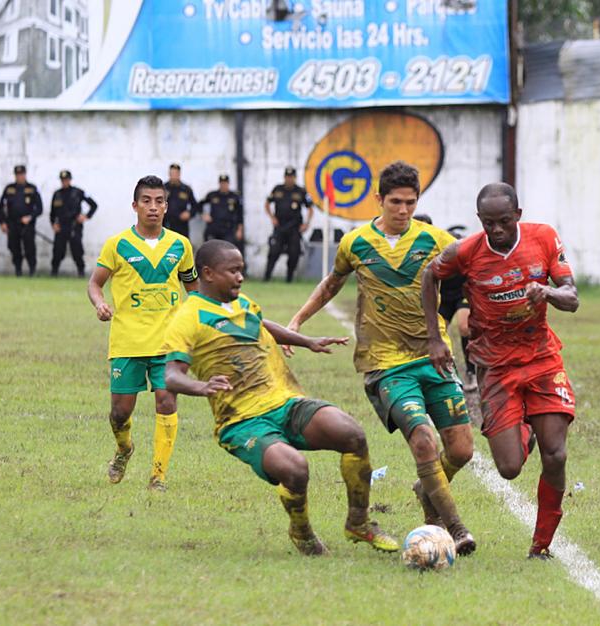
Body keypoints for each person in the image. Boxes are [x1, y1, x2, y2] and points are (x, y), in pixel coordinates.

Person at [286, 161, 476, 555]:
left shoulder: (437, 240)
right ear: (379, 200)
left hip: (433, 357)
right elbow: (331, 284)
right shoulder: (355, 243)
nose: (403, 210)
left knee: (461, 451)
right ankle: (455, 529)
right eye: (395, 202)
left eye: (410, 202)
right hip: (385, 363)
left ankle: (428, 489)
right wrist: (299, 319)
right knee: (422, 440)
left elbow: (476, 270)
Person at [162, 239, 398, 556]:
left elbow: (261, 324)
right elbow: (170, 374)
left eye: (241, 270)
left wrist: (306, 341)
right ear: (207, 274)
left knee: (352, 434)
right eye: (233, 271)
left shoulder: (241, 302)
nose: (240, 277)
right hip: (242, 423)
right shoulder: (188, 317)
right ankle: (301, 532)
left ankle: (359, 523)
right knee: (295, 470)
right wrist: (201, 387)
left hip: (285, 402)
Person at [423, 182, 579, 560]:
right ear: (480, 220)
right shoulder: (466, 251)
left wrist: (547, 292)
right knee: (509, 468)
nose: (496, 230)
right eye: (489, 223)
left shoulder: (542, 238)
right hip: (494, 364)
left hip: (542, 358)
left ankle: (541, 545)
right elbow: (431, 276)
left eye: (504, 222)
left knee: (555, 455)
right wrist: (434, 336)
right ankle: (527, 428)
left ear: (518, 216)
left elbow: (571, 297)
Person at [87, 175, 198, 492]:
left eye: (159, 201)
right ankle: (124, 449)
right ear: (135, 206)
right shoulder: (117, 244)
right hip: (127, 341)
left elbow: (195, 291)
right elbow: (95, 283)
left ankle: (158, 476)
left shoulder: (181, 245)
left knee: (166, 402)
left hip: (168, 343)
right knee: (120, 412)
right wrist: (100, 304)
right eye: (146, 201)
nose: (153, 207)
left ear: (166, 206)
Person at [413, 214, 477, 392]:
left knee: (464, 326)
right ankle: (442, 371)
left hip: (461, 292)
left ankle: (471, 372)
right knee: (437, 332)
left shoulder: (443, 242)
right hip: (442, 296)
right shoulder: (413, 252)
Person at [263, 166, 314, 282]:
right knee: (273, 252)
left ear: (295, 178)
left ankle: (289, 279)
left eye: (291, 177)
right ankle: (266, 278)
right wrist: (272, 217)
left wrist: (306, 224)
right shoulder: (277, 189)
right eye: (287, 177)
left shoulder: (301, 191)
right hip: (279, 227)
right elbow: (267, 204)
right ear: (284, 177)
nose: (289, 179)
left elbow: (310, 209)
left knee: (294, 253)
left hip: (294, 228)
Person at [50, 170, 98, 277]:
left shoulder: (78, 192)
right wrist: (54, 224)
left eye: (66, 180)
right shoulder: (57, 194)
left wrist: (86, 216)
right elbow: (52, 213)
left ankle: (81, 272)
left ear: (70, 180)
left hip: (74, 226)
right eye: (62, 180)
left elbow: (94, 205)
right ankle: (54, 272)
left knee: (77, 250)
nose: (64, 182)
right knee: (58, 250)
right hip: (61, 226)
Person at [0, 165, 42, 276]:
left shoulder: (32, 188)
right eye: (18, 174)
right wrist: (2, 222)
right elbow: (1, 207)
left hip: (27, 225)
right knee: (14, 247)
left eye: (21, 174)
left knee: (29, 248)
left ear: (25, 174)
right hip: (12, 224)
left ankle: (32, 270)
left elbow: (39, 208)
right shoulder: (9, 189)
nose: (20, 176)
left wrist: (30, 217)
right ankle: (18, 270)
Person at [202, 174, 244, 251]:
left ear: (228, 184)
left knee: (227, 251)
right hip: (214, 227)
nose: (223, 185)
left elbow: (240, 214)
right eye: (222, 183)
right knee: (211, 251)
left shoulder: (234, 197)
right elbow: (199, 205)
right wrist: (204, 214)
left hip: (228, 229)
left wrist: (240, 230)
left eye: (225, 183)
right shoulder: (212, 195)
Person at [164, 163, 198, 237]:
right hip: (166, 223)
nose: (173, 175)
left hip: (181, 225)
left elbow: (195, 206)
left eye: (175, 173)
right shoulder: (163, 188)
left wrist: (189, 213)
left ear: (179, 174)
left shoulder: (186, 189)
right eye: (171, 173)